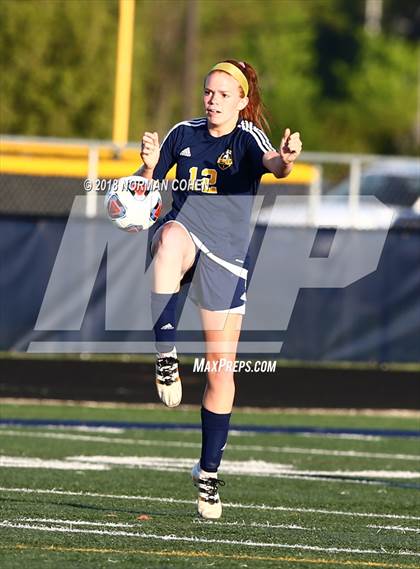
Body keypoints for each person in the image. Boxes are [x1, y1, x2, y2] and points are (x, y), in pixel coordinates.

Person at [135, 60, 302, 519]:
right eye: (209, 92)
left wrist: (286, 159)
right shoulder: (182, 134)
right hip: (187, 238)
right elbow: (138, 204)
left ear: (243, 102)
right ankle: (165, 356)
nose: (213, 101)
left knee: (220, 373)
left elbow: (274, 165)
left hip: (226, 258)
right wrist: (148, 169)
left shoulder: (246, 138)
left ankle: (207, 473)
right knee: (168, 237)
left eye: (224, 95)